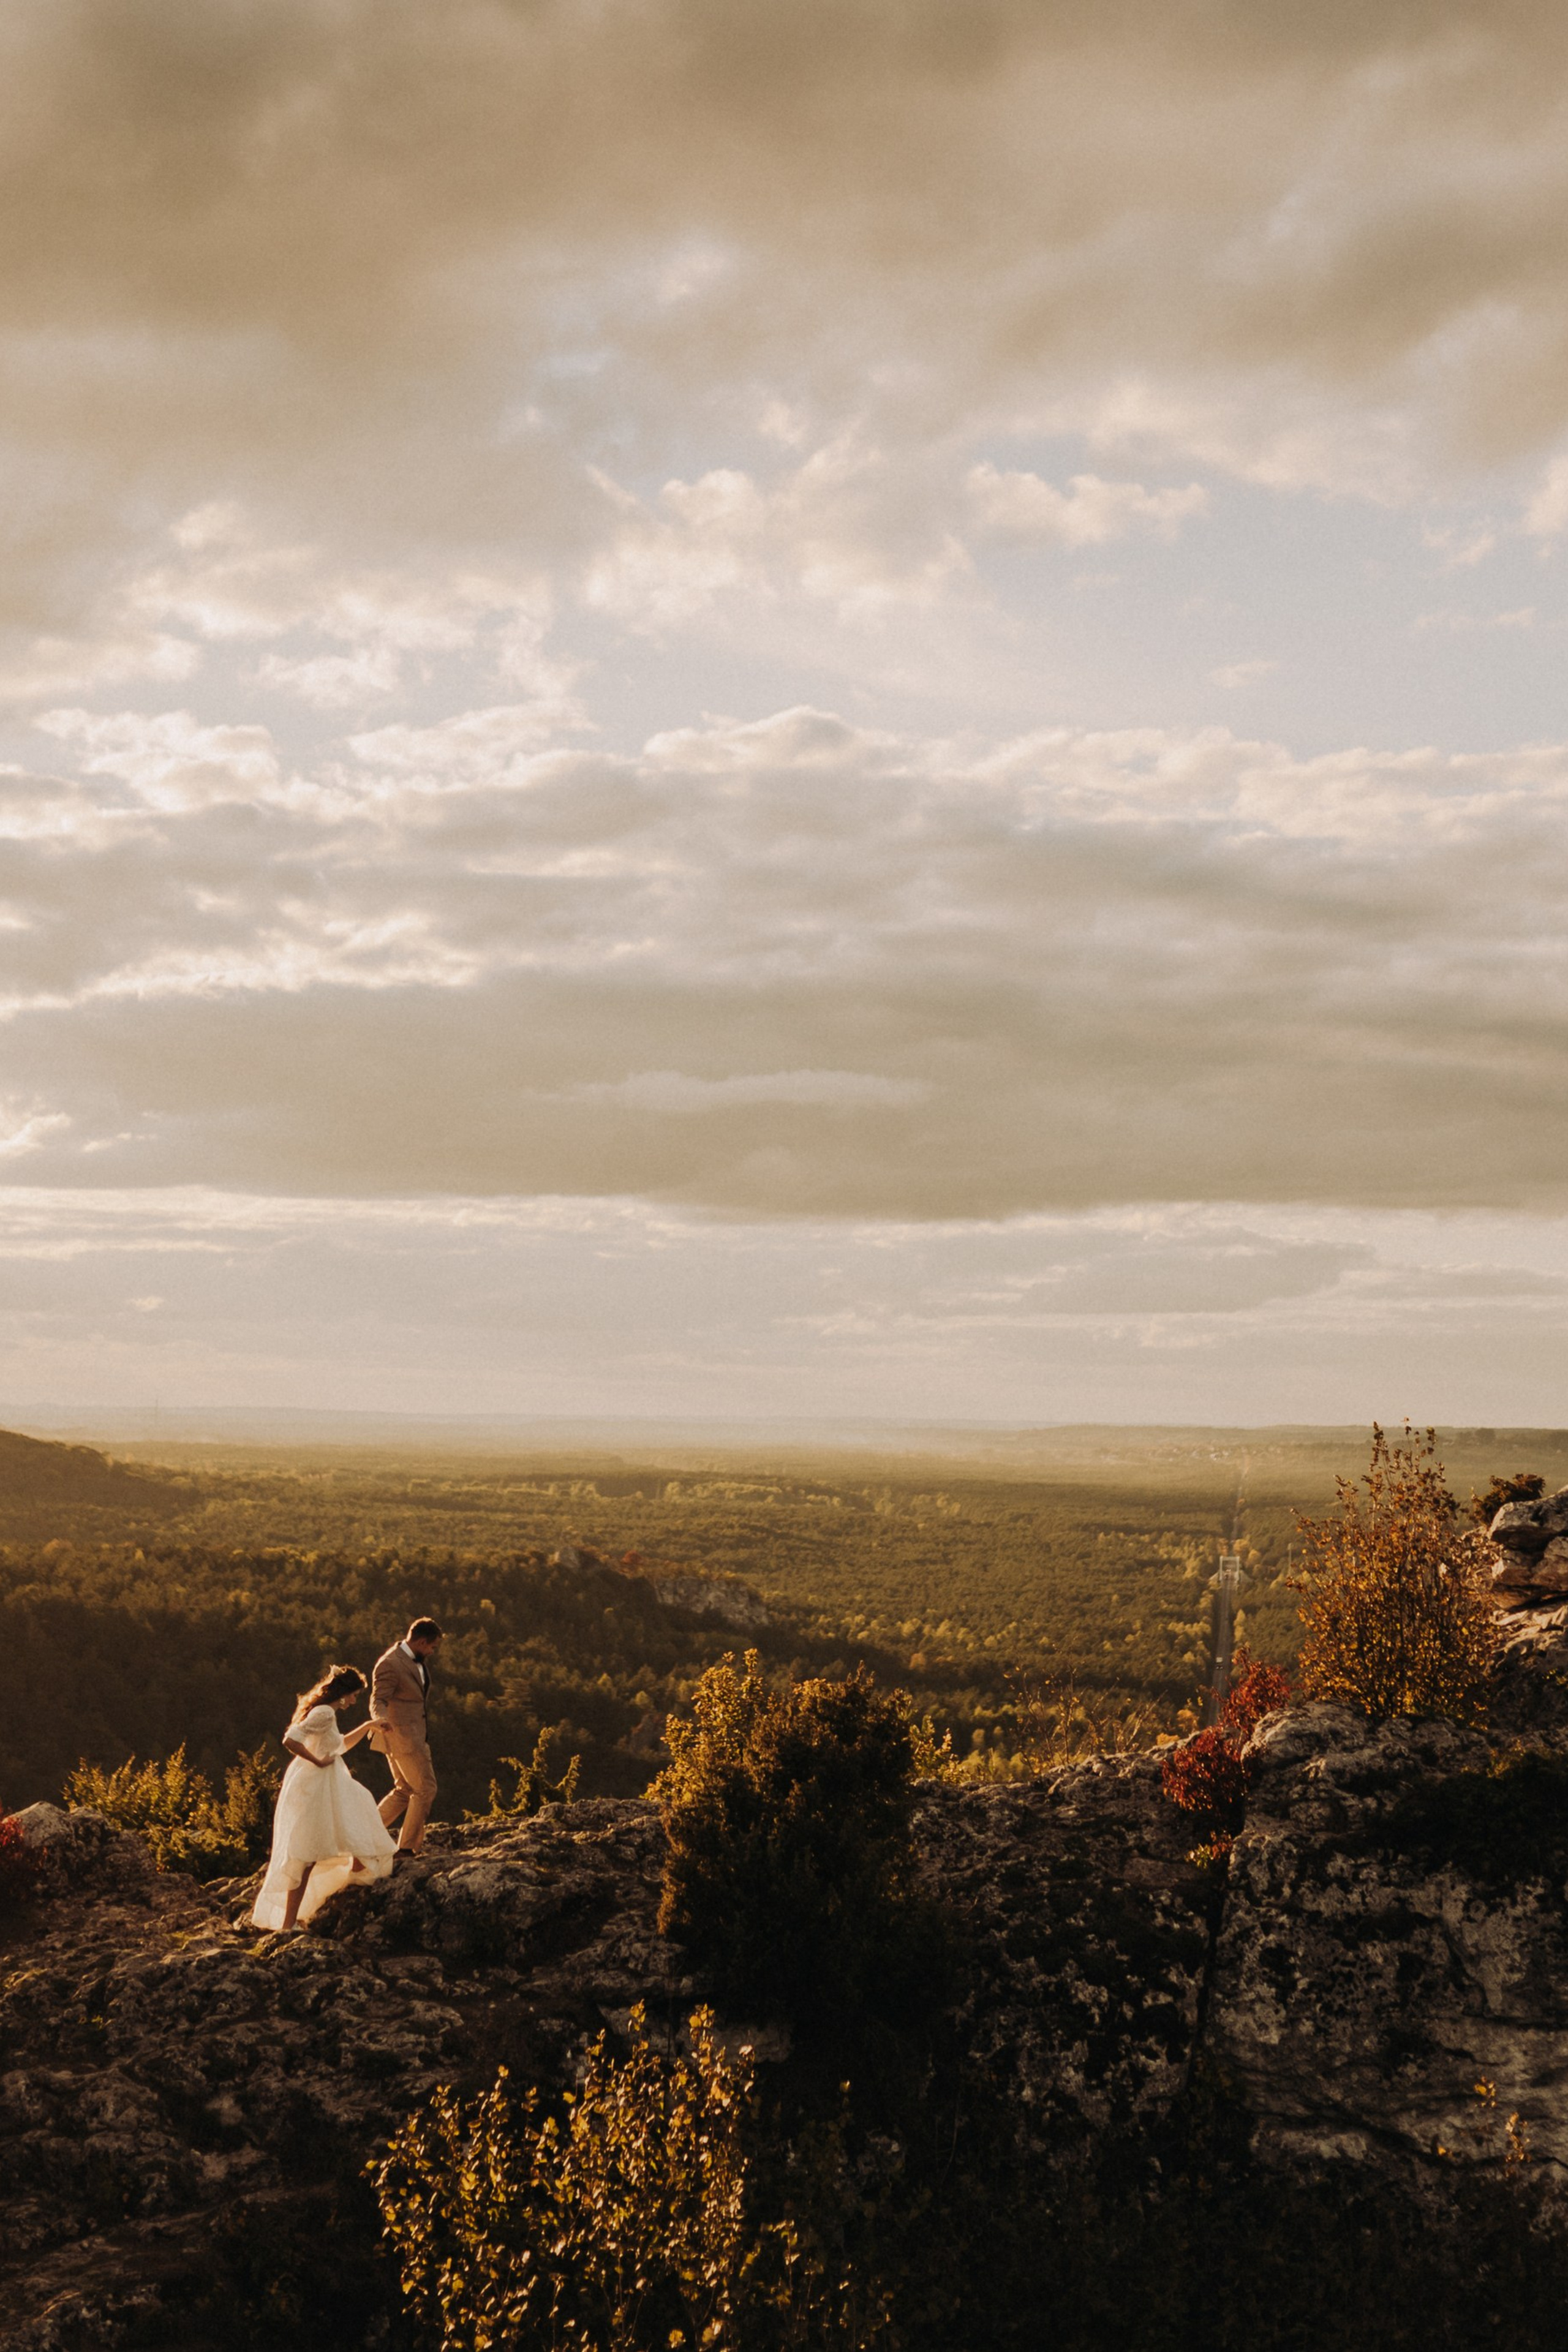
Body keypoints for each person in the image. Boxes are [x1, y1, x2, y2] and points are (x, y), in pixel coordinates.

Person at [250, 1665, 396, 1932]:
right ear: (344, 1693)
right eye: (354, 1695)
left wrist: (369, 1726)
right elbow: (290, 1740)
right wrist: (317, 1761)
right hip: (315, 1784)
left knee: (357, 1808)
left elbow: (339, 1746)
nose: (354, 1701)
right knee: (306, 1855)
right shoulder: (325, 1713)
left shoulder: (326, 1713)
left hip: (327, 1781)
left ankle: (356, 1869)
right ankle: (288, 1923)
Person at [369, 1617, 443, 1856]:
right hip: (403, 1737)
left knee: (404, 1790)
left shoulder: (414, 1661)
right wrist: (380, 1719)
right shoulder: (391, 1663)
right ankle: (406, 1848)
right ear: (421, 1642)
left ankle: (364, 1833)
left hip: (413, 1735)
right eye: (432, 1647)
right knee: (426, 1789)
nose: (432, 1652)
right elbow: (378, 1699)